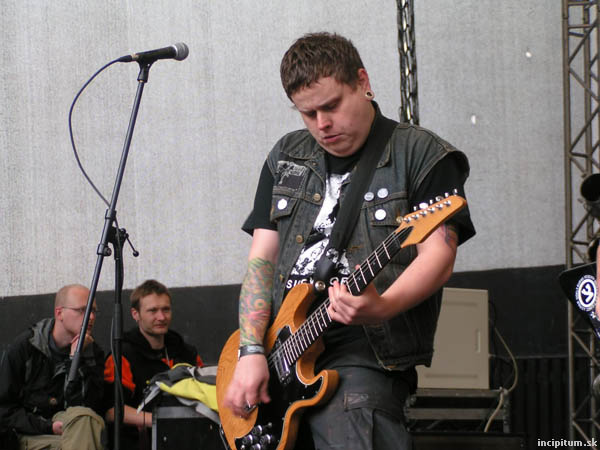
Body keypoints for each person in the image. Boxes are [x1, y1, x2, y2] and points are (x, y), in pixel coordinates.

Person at [223, 32, 476, 450]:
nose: (322, 124)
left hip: (364, 348)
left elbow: (439, 255)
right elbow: (261, 259)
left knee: (353, 417)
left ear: (362, 81)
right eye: (308, 113)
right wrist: (250, 351)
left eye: (332, 105)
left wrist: (383, 306)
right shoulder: (285, 155)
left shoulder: (420, 153)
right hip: (280, 347)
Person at [0, 284, 106, 450]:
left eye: (93, 311)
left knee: (85, 418)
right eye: (82, 310)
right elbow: (4, 409)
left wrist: (75, 360)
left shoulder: (93, 353)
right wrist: (48, 426)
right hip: (31, 435)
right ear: (59, 313)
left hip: (74, 431)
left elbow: (91, 407)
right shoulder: (26, 347)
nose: (91, 317)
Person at [103, 279, 203, 450]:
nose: (161, 317)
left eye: (166, 309)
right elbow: (111, 411)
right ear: (135, 314)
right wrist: (161, 421)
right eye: (153, 311)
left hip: (189, 437)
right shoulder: (122, 355)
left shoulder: (186, 352)